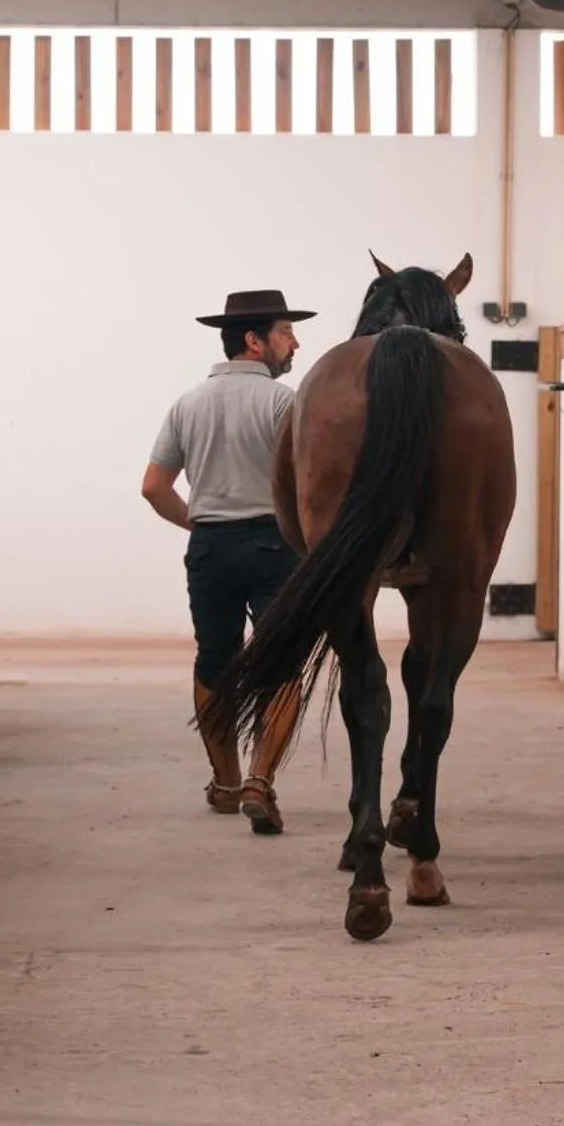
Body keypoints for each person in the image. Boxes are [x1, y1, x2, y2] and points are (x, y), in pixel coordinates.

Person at [142, 290, 311, 835]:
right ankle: (262, 780)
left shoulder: (187, 404)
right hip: (274, 544)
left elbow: (153, 488)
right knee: (281, 662)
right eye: (286, 332)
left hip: (211, 547)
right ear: (254, 341)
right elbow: (307, 483)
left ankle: (226, 781)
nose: (295, 342)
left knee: (214, 658)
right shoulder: (285, 404)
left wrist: (202, 522)